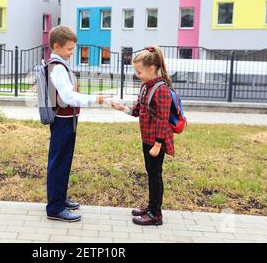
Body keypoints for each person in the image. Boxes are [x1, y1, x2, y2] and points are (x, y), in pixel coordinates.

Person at [46, 25, 108, 222]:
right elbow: (68, 97)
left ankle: (60, 199)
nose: (72, 53)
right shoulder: (57, 68)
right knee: (58, 163)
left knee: (64, 162)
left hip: (67, 120)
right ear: (56, 46)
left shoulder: (60, 64)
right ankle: (55, 208)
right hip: (62, 122)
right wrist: (93, 99)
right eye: (69, 49)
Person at [110, 45, 174, 226]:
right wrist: (122, 107)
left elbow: (163, 119)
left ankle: (156, 215)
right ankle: (151, 207)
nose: (137, 75)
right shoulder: (146, 86)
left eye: (139, 72)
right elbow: (139, 110)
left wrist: (158, 144)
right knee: (151, 173)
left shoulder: (160, 89)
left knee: (155, 175)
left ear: (152, 69)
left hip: (156, 141)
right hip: (147, 139)